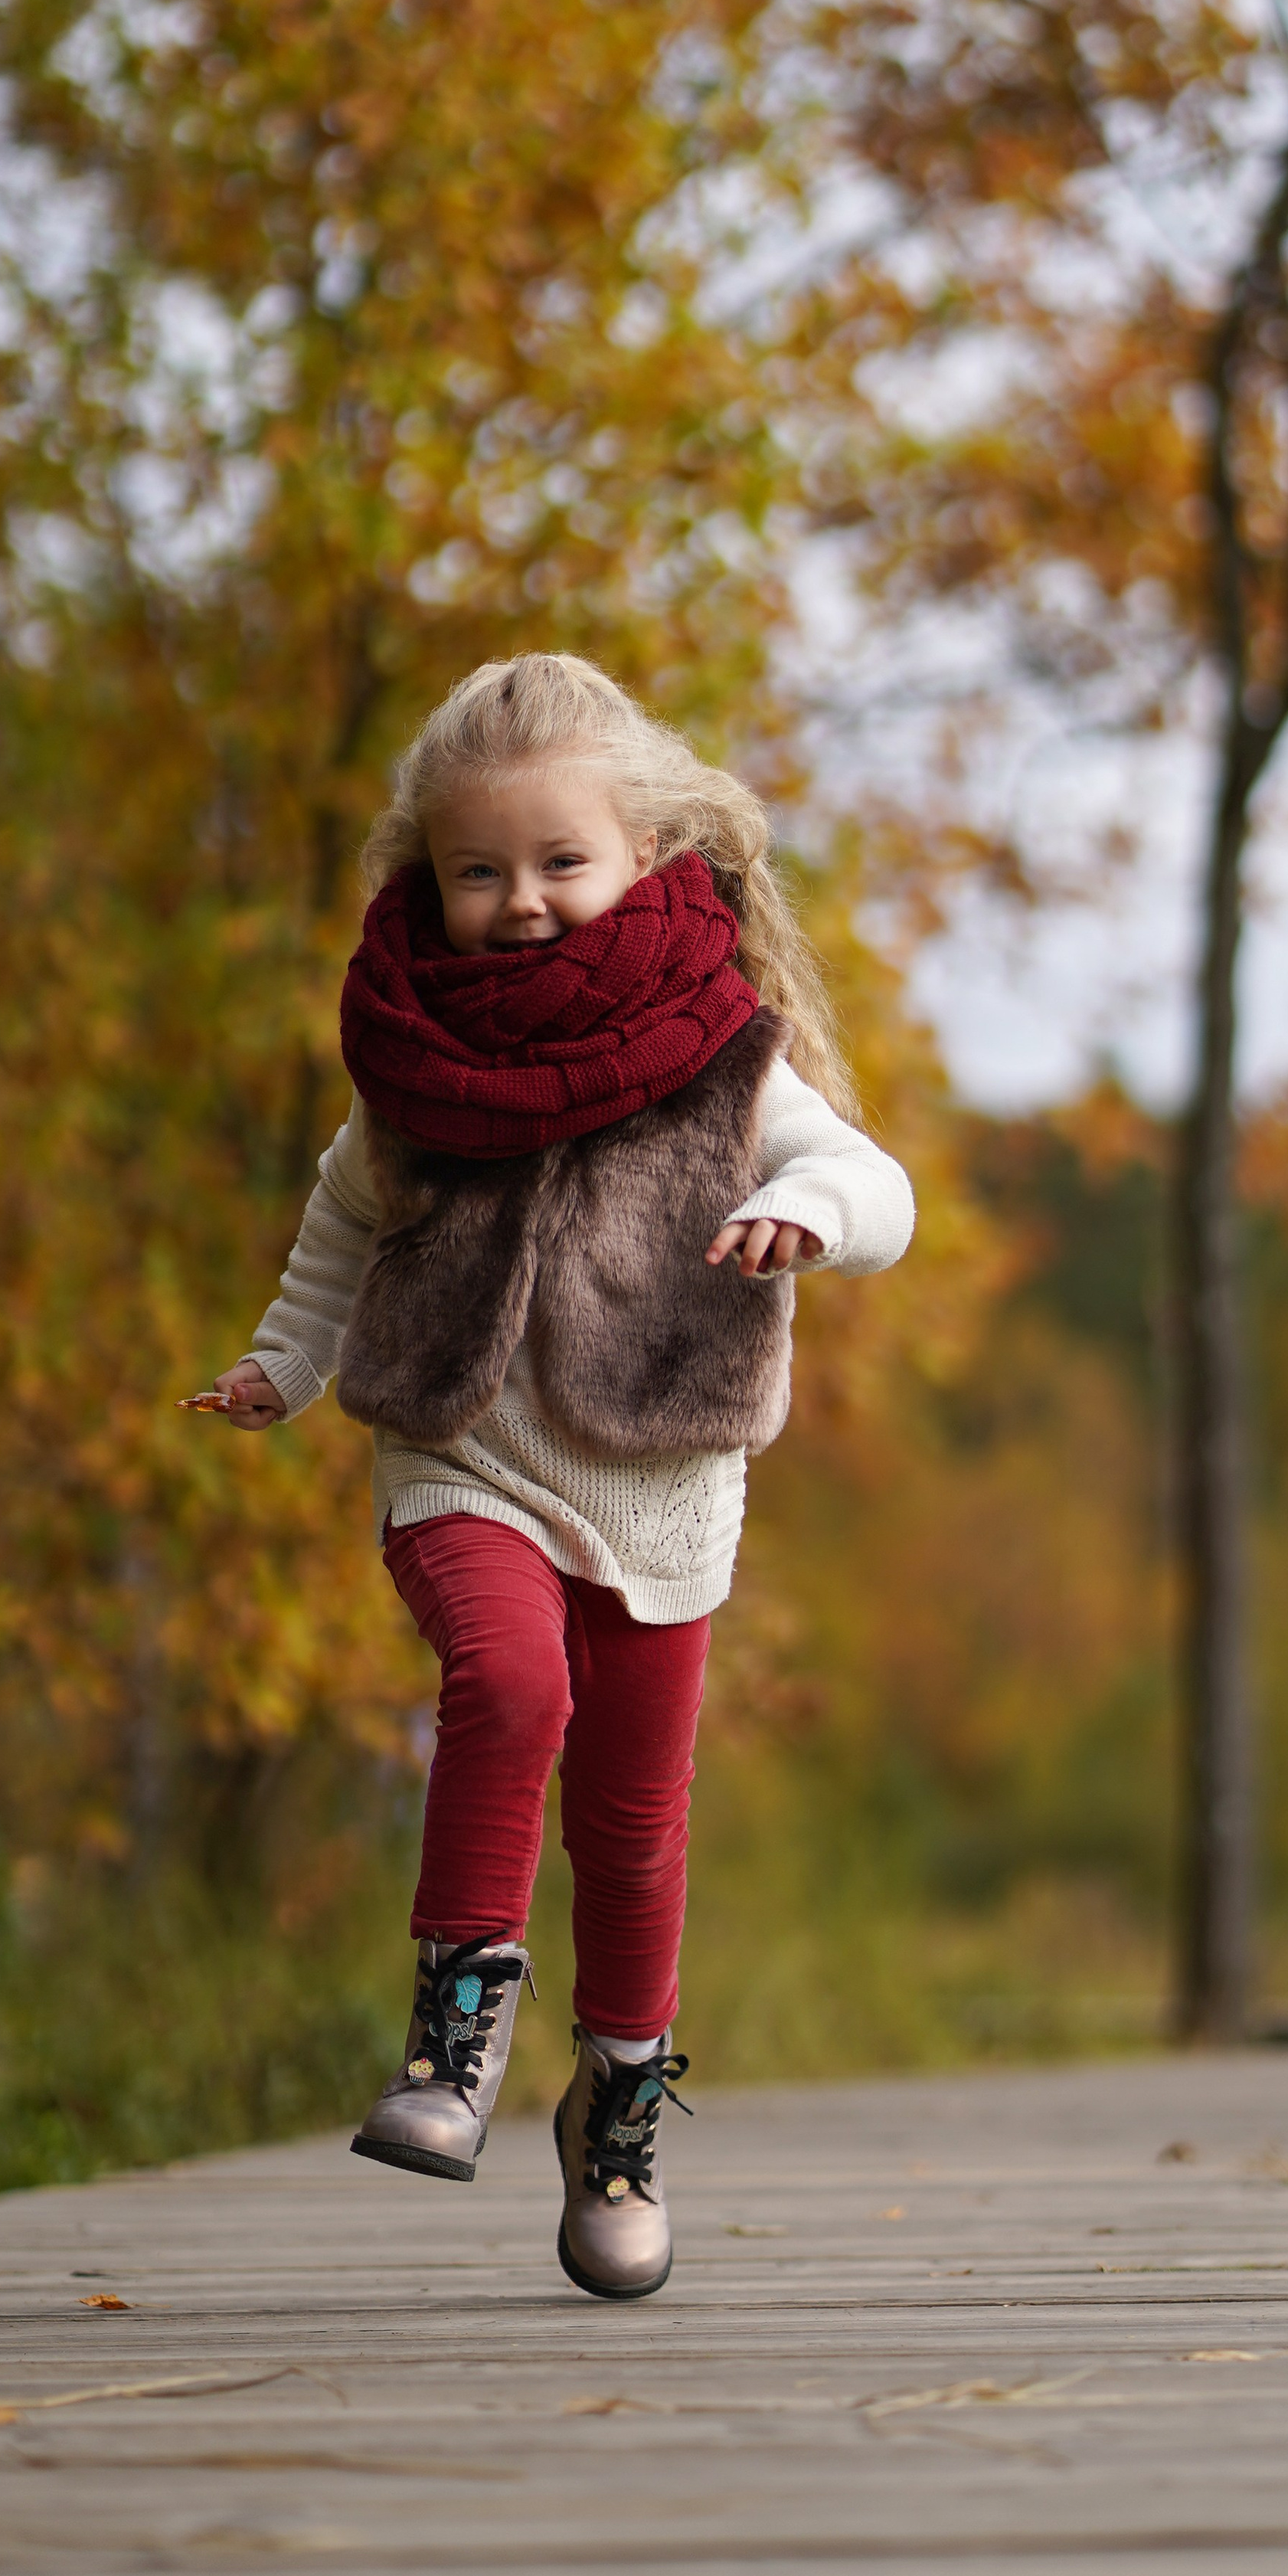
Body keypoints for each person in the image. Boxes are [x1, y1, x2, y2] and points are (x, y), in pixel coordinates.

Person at [203, 654, 913, 2299]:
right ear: (426, 880)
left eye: (560, 863)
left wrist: (806, 1212)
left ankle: (616, 2108)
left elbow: (869, 1179)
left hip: (658, 1481)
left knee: (633, 1828)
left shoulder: (721, 1053)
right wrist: (281, 1366)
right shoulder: (414, 1061)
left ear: (646, 857)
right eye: (479, 872)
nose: (519, 901)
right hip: (461, 1449)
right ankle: (452, 2038)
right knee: (507, 1683)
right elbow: (338, 1233)